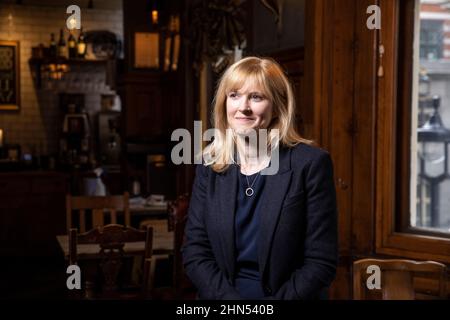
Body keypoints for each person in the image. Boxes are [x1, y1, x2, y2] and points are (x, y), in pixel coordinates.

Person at [182, 57, 338, 300]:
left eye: (256, 97)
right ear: (224, 103)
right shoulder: (209, 165)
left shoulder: (309, 164)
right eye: (234, 95)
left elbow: (320, 262)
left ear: (278, 106)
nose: (243, 107)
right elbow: (195, 252)